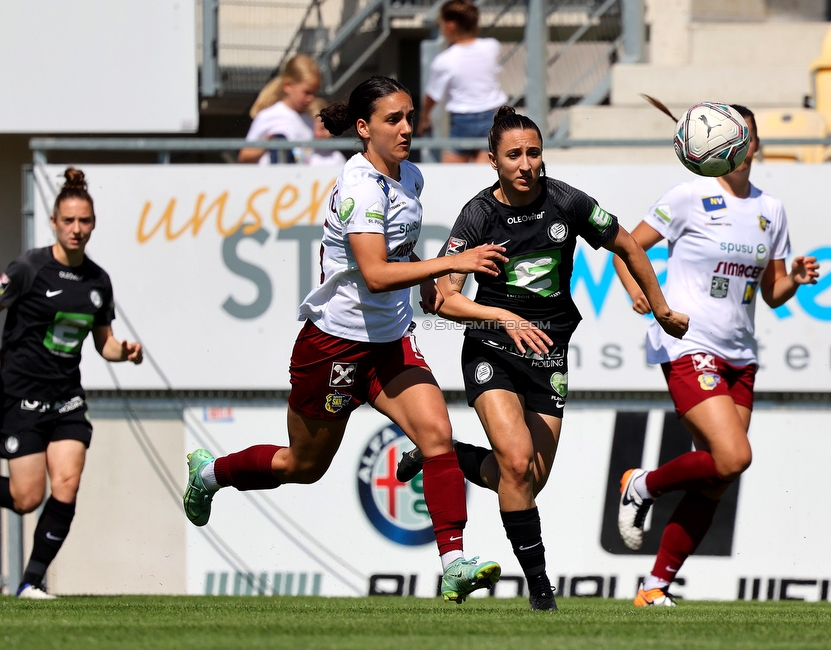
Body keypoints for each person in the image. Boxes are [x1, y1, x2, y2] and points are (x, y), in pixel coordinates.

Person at [184, 76, 507, 604]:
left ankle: (453, 564)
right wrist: (453, 263)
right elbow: (376, 274)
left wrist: (427, 280)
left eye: (409, 116)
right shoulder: (358, 186)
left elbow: (400, 250)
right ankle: (211, 474)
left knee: (437, 436)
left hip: (389, 342)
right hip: (334, 344)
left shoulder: (411, 178)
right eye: (393, 120)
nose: (407, 128)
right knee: (302, 466)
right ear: (364, 128)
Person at [396, 106, 689, 610]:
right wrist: (500, 318)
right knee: (514, 463)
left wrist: (660, 309)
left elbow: (628, 246)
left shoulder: (567, 202)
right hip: (492, 348)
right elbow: (444, 298)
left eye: (533, 152)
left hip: (550, 350)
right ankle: (541, 591)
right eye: (514, 155)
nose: (526, 163)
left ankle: (437, 455)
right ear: (493, 161)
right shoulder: (479, 215)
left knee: (529, 478)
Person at [613, 105, 820, 607]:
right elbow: (624, 247)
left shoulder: (772, 209)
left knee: (720, 475)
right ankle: (642, 484)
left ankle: (654, 588)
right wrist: (640, 292)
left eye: (749, 136)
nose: (742, 144)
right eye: (735, 135)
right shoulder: (688, 197)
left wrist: (795, 278)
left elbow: (772, 293)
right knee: (735, 456)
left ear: (753, 144)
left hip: (740, 355)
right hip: (689, 344)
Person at [0, 168, 143, 599]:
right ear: (54, 223)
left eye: (84, 222)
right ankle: (29, 581)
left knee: (66, 483)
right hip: (20, 396)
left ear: (93, 224)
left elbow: (105, 346)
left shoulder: (98, 281)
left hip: (66, 400)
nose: (76, 229)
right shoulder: (28, 268)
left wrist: (126, 351)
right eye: (69, 221)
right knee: (26, 498)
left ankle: (30, 582)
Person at [417, 0, 507, 163]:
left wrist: (424, 118)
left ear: (450, 26)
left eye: (442, 24)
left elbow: (432, 96)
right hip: (491, 117)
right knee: (486, 176)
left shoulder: (444, 60)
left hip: (462, 121)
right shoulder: (492, 47)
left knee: (452, 177)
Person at [238, 54, 320, 165]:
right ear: (287, 85)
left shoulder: (309, 121)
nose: (311, 98)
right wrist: (268, 144)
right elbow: (244, 156)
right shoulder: (269, 115)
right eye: (307, 92)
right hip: (272, 181)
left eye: (314, 93)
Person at [306, 98, 347, 167]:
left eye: (329, 127)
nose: (327, 132)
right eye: (321, 128)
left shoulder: (337, 157)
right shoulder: (303, 157)